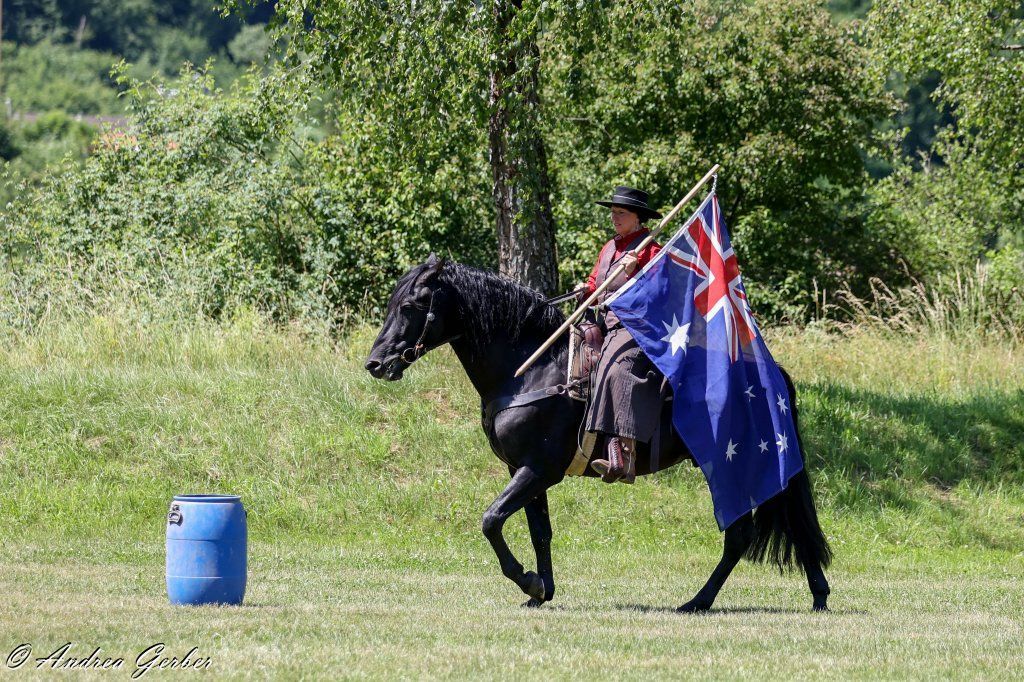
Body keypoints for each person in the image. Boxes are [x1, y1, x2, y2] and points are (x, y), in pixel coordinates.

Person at [577, 186, 665, 484]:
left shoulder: (651, 250)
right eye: (612, 212)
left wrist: (635, 274)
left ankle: (624, 454)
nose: (614, 218)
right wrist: (585, 291)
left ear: (637, 217)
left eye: (621, 213)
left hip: (638, 326)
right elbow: (595, 283)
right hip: (605, 322)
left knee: (617, 369)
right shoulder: (609, 247)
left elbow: (659, 294)